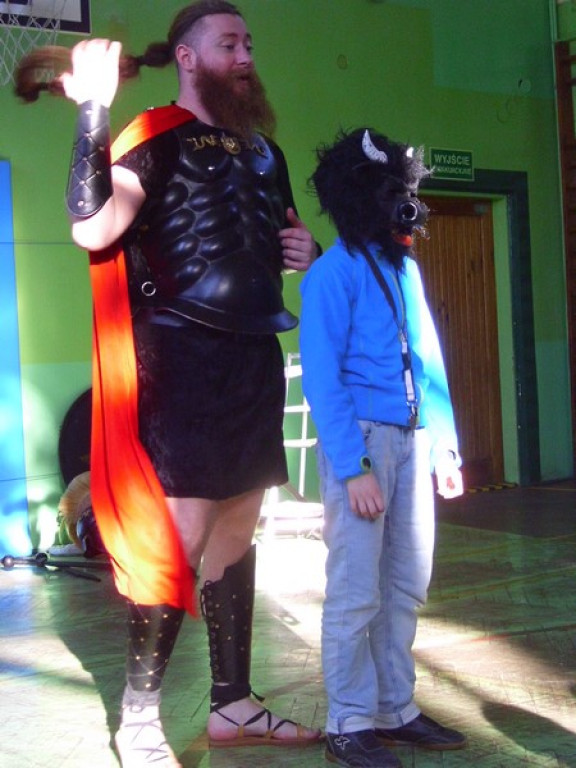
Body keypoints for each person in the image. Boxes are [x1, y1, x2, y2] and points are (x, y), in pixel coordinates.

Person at [19, 2, 323, 765]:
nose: (245, 56)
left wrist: (305, 250)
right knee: (178, 537)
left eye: (249, 43)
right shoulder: (151, 138)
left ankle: (233, 703)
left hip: (253, 356)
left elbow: (269, 241)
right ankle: (140, 716)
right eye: (229, 44)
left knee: (238, 529)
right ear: (187, 57)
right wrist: (93, 111)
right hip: (180, 360)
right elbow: (93, 228)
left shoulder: (266, 152)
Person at [299, 128, 467, 768]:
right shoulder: (330, 274)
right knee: (355, 590)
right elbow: (323, 379)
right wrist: (353, 467)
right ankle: (348, 721)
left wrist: (444, 446)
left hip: (413, 440)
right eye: (386, 190)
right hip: (364, 445)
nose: (401, 203)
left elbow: (428, 360)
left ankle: (396, 708)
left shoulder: (405, 270)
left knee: (405, 585)